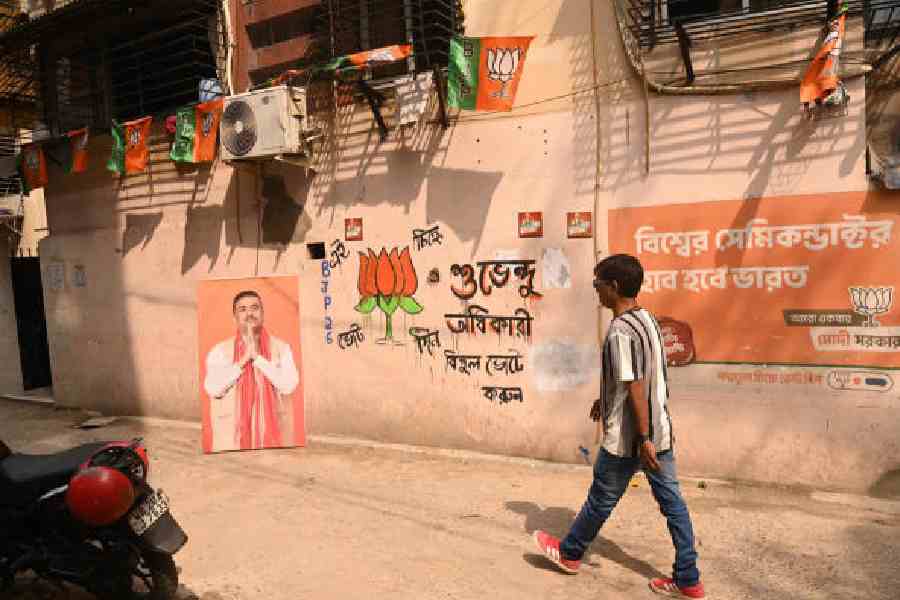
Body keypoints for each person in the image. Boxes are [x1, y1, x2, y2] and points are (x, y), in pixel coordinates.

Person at [532, 254, 705, 598]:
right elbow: (634, 377)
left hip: (632, 439)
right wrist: (606, 398)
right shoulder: (648, 319)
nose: (596, 290)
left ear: (613, 286)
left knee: (601, 498)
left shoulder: (620, 332)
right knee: (673, 504)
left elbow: (635, 384)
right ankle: (689, 579)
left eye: (597, 284)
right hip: (659, 431)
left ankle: (570, 553)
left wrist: (643, 438)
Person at [204, 290, 300, 452]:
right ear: (234, 317)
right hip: (232, 442)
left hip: (274, 440)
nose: (249, 313)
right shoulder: (219, 351)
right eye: (242, 309)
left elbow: (289, 385)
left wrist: (258, 358)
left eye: (255, 308)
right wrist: (243, 360)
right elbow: (213, 388)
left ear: (263, 313)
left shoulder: (282, 348)